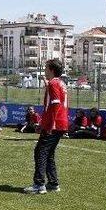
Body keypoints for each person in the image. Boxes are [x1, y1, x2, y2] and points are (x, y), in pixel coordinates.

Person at [24, 59, 68, 194]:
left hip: (54, 125)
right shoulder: (60, 83)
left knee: (40, 152)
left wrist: (48, 125)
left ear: (52, 70)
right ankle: (53, 183)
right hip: (60, 123)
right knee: (49, 154)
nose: (44, 70)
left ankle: (39, 184)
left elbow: (55, 104)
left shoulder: (54, 83)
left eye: (46, 68)